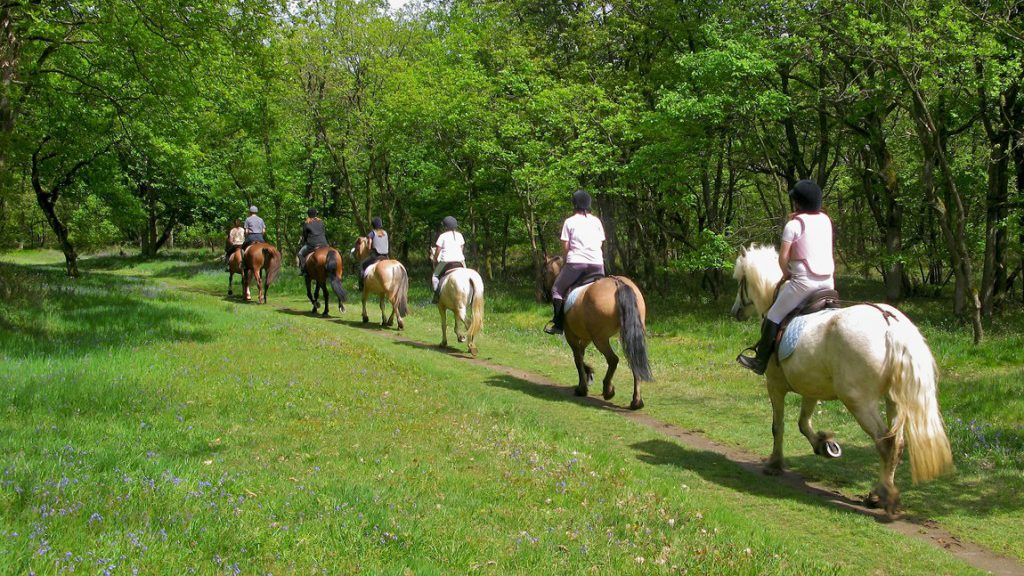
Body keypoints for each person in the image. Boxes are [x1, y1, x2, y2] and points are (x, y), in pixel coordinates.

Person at [737, 179, 835, 374]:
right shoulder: (826, 220)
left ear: (798, 202)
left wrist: (788, 275)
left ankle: (760, 361)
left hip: (804, 283)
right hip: (828, 282)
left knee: (773, 315)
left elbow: (783, 259)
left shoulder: (793, 225)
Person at [544, 190, 606, 335]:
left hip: (576, 264)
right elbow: (600, 243)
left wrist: (567, 261)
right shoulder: (596, 221)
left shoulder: (569, 222)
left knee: (557, 290)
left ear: (575, 204)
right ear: (589, 204)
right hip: (597, 265)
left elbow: (566, 247)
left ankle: (558, 325)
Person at [430, 216, 466, 303]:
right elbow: (461, 248)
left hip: (445, 262)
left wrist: (435, 259)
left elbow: (438, 250)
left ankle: (436, 296)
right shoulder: (460, 235)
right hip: (459, 261)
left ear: (445, 226)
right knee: (465, 274)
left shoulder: (442, 236)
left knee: (435, 276)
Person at [359, 216, 389, 290]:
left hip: (376, 255)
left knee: (362, 265)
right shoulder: (385, 233)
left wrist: (369, 250)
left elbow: (369, 247)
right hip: (386, 256)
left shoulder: (372, 233)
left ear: (373, 225)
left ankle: (362, 286)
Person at [296, 208, 329, 276]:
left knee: (300, 254)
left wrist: (304, 242)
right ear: (315, 214)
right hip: (324, 244)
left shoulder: (306, 223)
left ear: (308, 215)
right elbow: (323, 233)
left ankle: (303, 270)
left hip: (312, 245)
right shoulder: (321, 222)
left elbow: (305, 235)